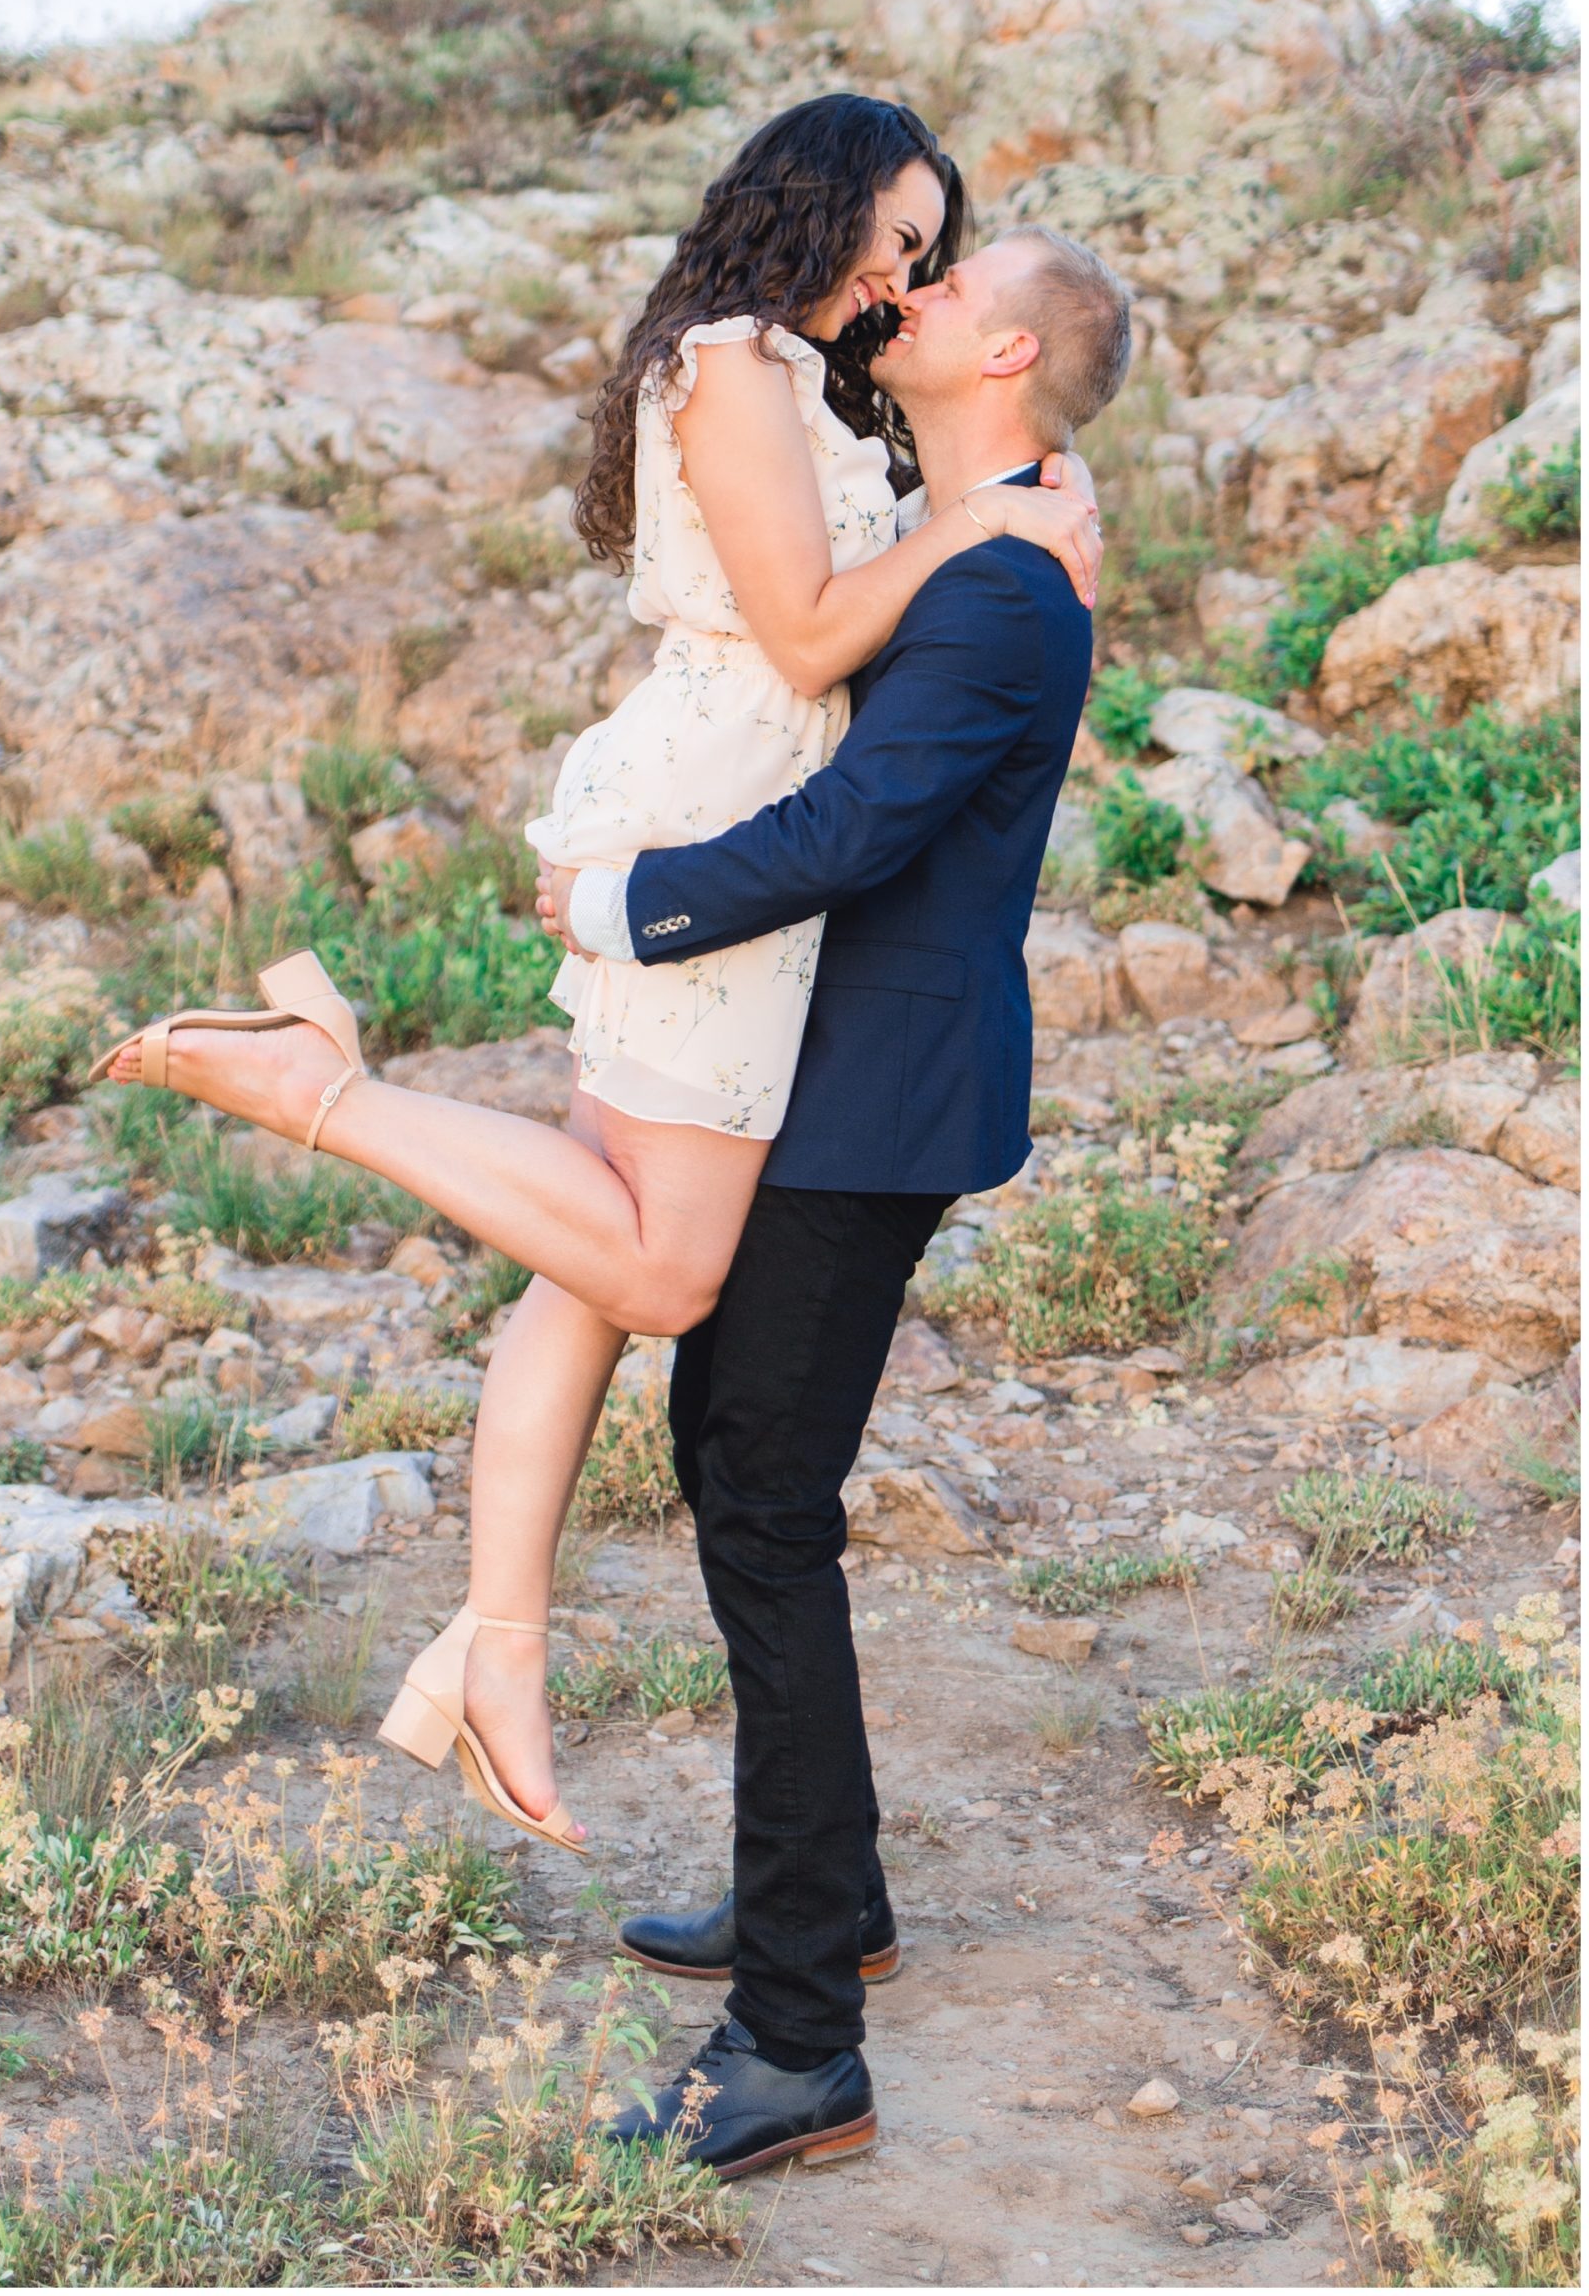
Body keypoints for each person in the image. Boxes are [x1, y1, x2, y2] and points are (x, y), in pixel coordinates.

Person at [86, 95, 1102, 1856]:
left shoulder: (810, 378)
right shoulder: (732, 364)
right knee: (659, 1262)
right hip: (717, 807)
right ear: (816, 204)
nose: (901, 271)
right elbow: (803, 633)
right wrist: (989, 519)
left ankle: (495, 1653)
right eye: (893, 233)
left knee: (595, 1260)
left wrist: (1004, 502)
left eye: (932, 254)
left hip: (749, 815)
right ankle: (320, 1085)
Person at [538, 222, 1133, 2177]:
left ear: (1012, 347)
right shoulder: (982, 534)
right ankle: (834, 1899)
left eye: (952, 291)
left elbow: (860, 824)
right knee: (742, 1475)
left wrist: (636, 899)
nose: (913, 300)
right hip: (834, 1079)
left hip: (862, 1101)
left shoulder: (1004, 596)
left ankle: (798, 2038)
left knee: (761, 1502)